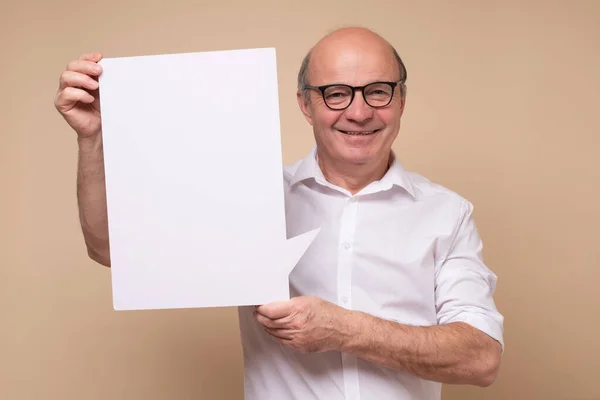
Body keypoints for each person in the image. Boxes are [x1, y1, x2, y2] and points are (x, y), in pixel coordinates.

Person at [55, 27, 504, 400]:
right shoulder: (248, 198)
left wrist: (345, 329)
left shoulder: (447, 213)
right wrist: (93, 139)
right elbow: (111, 249)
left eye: (378, 91)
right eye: (336, 94)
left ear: (401, 99)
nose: (360, 111)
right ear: (305, 104)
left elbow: (481, 358)